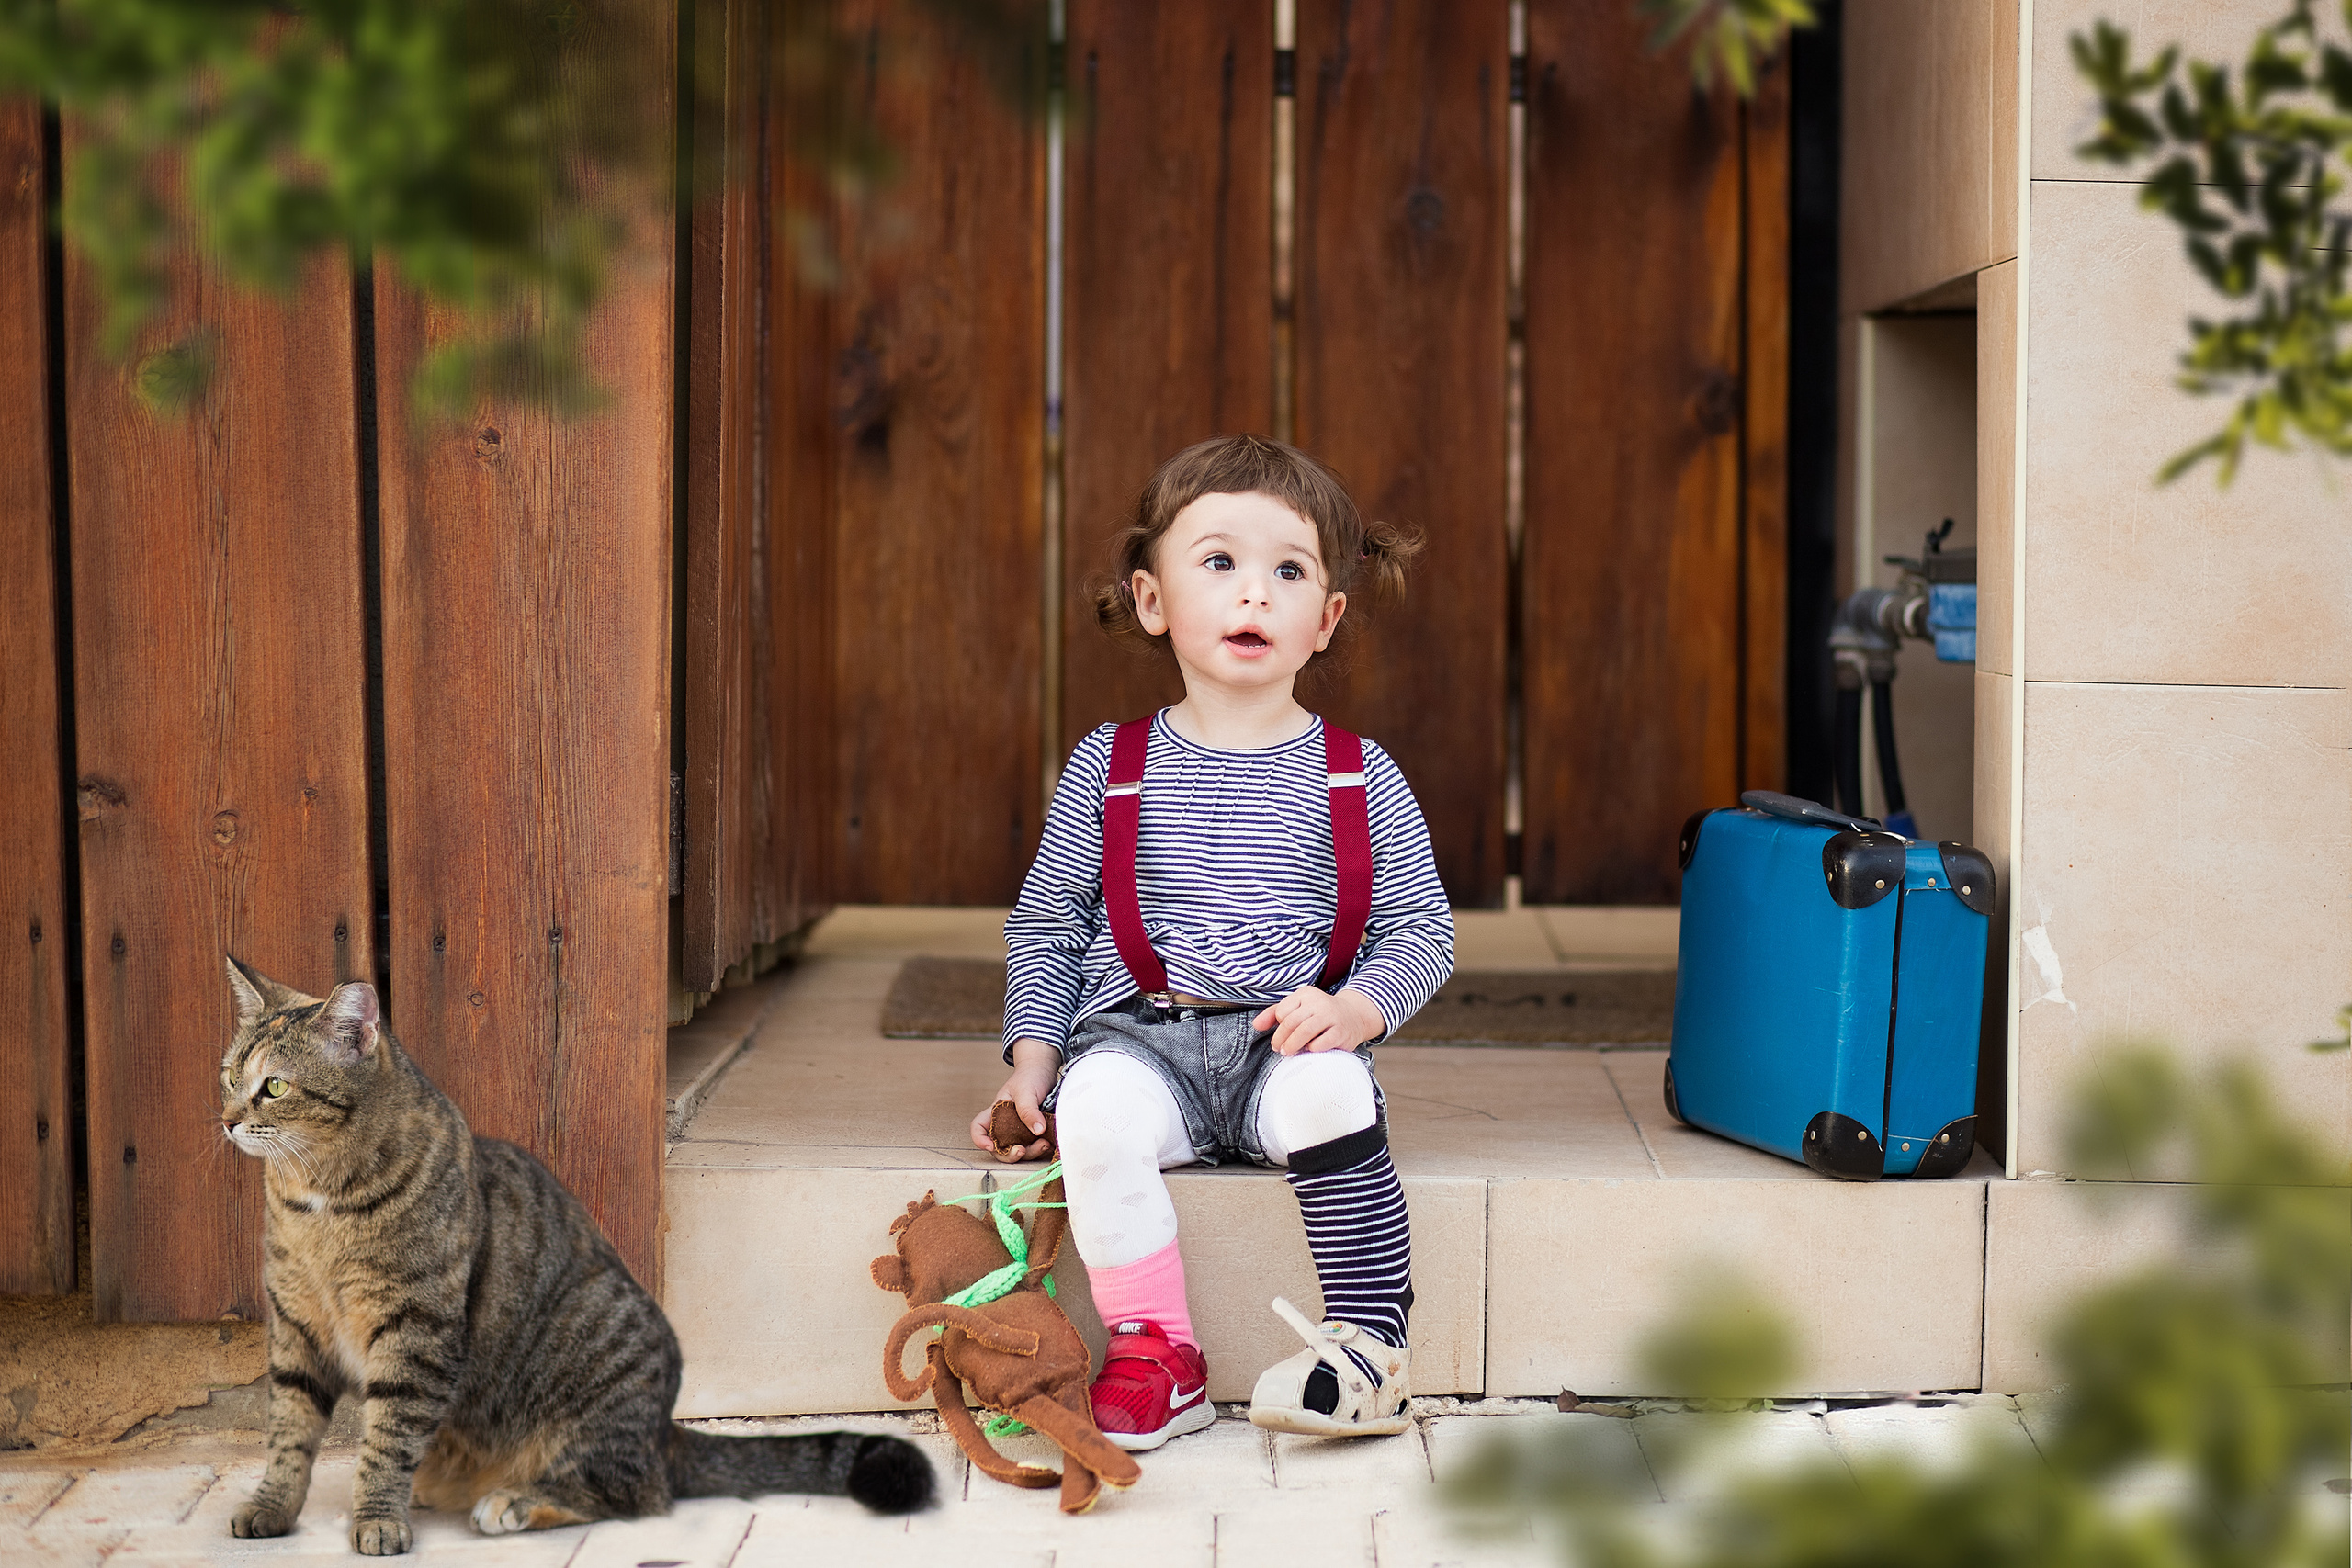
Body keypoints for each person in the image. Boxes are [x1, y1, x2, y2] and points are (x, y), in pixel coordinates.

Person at [969, 434, 1453, 1450]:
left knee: (1333, 1089)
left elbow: (1421, 930)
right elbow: (1051, 923)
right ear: (1152, 602)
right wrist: (1031, 1065)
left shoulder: (1357, 775)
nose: (1254, 596)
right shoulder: (1111, 765)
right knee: (1094, 1112)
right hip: (1142, 1046)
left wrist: (1354, 1009)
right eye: (1219, 563)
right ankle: (1158, 1353)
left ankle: (1368, 1347)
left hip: (1285, 1048)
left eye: (1288, 571)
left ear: (1325, 621)